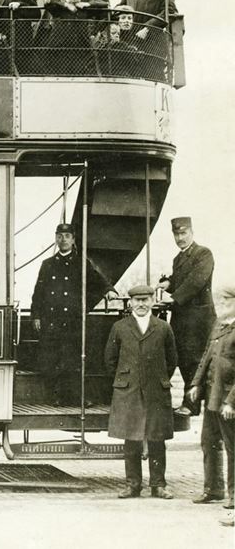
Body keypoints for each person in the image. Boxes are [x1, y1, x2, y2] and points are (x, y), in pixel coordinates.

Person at [105, 284, 178, 500]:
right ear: (131, 303)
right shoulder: (119, 327)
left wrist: (158, 377)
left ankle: (159, 485)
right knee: (132, 438)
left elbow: (172, 360)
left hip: (156, 390)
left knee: (157, 438)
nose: (141, 304)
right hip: (129, 391)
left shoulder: (164, 328)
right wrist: (126, 379)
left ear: (152, 302)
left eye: (145, 300)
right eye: (137, 300)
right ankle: (132, 485)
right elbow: (110, 360)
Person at [30, 223, 116, 404]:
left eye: (67, 236)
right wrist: (36, 316)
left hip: (72, 321)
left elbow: (98, 280)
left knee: (72, 359)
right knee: (52, 359)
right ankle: (56, 398)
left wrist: (108, 290)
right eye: (60, 236)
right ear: (56, 238)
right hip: (51, 320)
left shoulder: (81, 263)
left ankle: (75, 398)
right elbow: (38, 293)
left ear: (73, 239)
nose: (63, 240)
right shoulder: (48, 264)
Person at [157, 216, 216, 413]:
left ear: (192, 232)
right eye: (177, 234)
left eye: (184, 233)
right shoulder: (179, 258)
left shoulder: (203, 253)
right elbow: (182, 279)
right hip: (182, 319)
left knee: (195, 361)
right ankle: (192, 404)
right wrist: (169, 283)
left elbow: (196, 281)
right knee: (182, 359)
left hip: (198, 320)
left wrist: (173, 298)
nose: (180, 238)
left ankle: (192, 405)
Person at [188, 284, 235, 511]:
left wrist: (231, 402)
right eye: (218, 301)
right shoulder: (218, 326)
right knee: (208, 442)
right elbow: (206, 356)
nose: (220, 305)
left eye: (225, 301)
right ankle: (213, 489)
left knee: (232, 447)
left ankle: (234, 496)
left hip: (227, 401)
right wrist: (196, 383)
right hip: (211, 396)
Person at [118, 0, 176, 82]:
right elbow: (118, 10)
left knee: (153, 80)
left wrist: (147, 27)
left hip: (153, 44)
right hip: (130, 44)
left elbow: (169, 11)